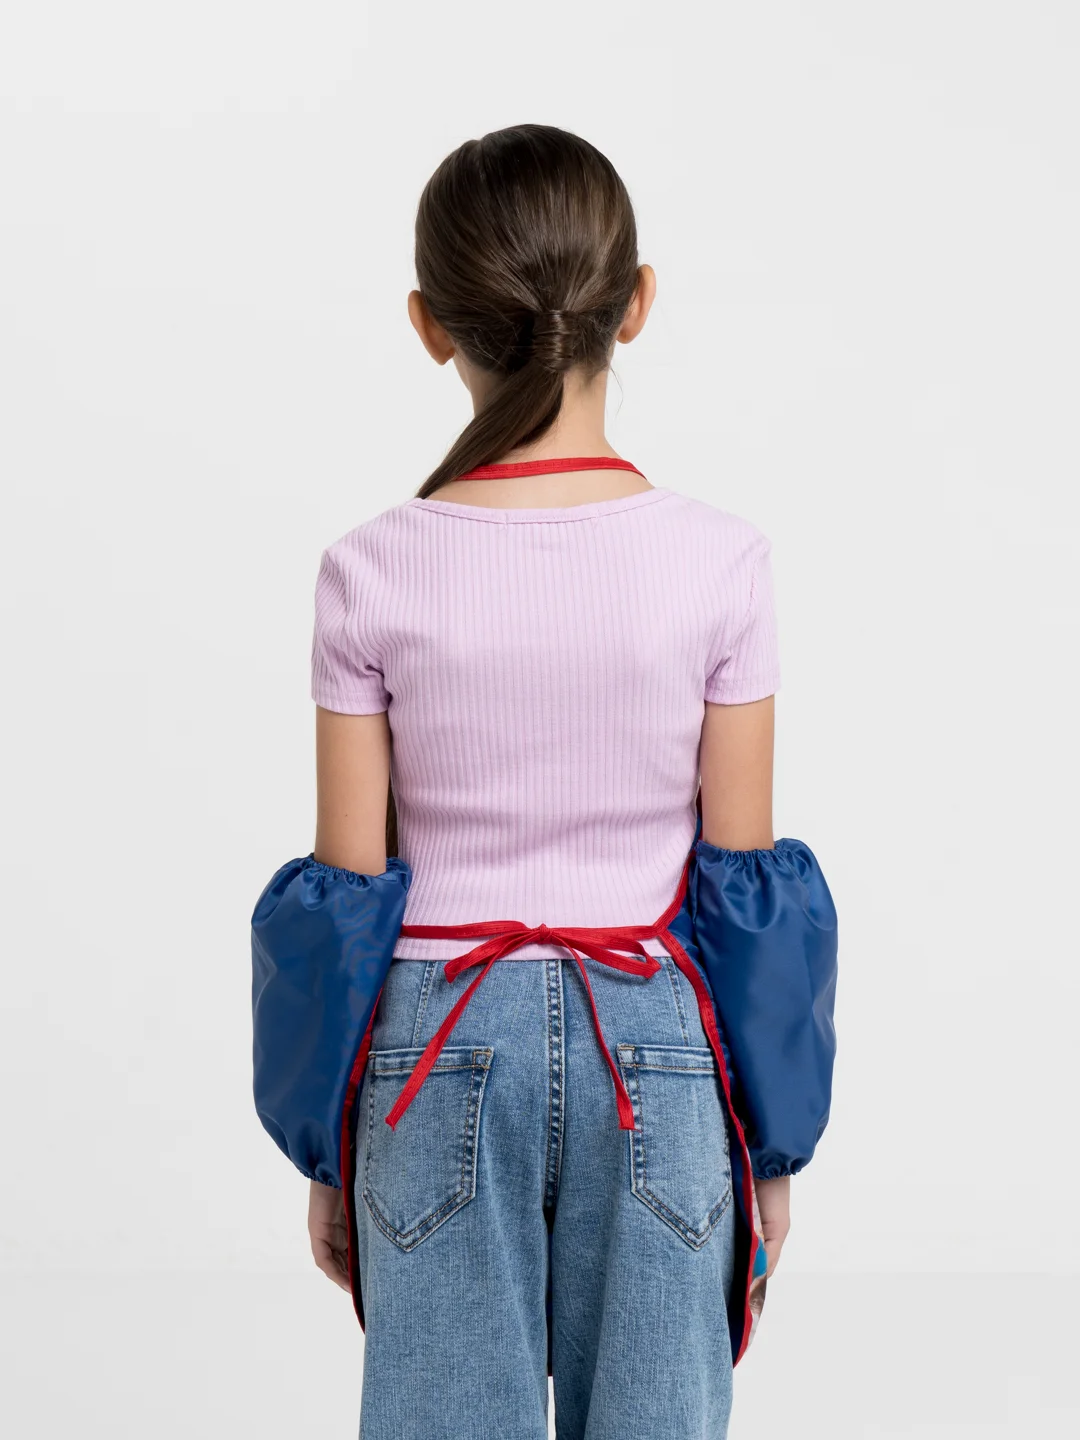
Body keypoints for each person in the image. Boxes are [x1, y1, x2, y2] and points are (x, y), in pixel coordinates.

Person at [252, 123, 837, 1440]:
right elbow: (744, 887)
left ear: (428, 324)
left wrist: (327, 1144)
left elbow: (345, 890)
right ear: (636, 303)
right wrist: (773, 1148)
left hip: (434, 1048)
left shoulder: (368, 568)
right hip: (658, 1048)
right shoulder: (722, 563)